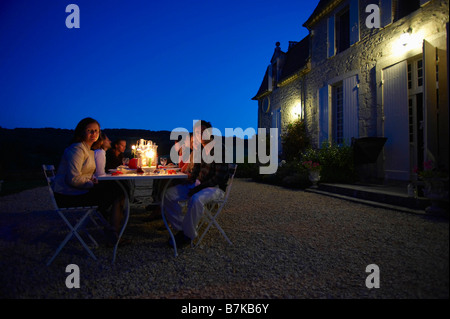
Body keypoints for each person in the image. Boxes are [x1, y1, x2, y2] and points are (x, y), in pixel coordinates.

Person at [52, 118, 125, 245]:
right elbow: (73, 179)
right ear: (82, 132)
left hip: (76, 191)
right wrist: (92, 183)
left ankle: (111, 228)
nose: (94, 134)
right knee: (118, 192)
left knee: (117, 190)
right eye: (90, 131)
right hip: (68, 195)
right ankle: (112, 233)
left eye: (96, 131)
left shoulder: (88, 150)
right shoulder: (77, 149)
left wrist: (91, 180)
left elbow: (84, 175)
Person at [163, 120, 229, 248]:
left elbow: (218, 178)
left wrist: (198, 188)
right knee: (169, 195)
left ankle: (187, 236)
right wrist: (191, 179)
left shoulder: (219, 149)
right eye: (198, 132)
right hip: (199, 185)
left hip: (214, 188)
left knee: (196, 199)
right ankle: (184, 228)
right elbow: (196, 171)